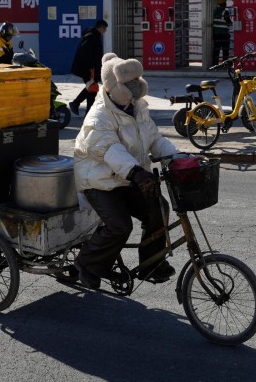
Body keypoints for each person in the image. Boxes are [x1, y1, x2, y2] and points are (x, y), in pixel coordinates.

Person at [72, 53, 179, 290]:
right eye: (127, 86)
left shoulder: (137, 107)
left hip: (128, 178)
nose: (133, 92)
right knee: (120, 226)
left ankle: (151, 263)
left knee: (158, 208)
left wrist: (177, 157)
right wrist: (137, 173)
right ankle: (87, 264)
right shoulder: (99, 116)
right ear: (112, 87)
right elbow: (110, 150)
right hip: (99, 181)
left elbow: (154, 138)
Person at [69, 19, 108, 116]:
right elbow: (84, 52)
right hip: (87, 68)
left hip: (90, 68)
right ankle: (76, 103)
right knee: (91, 87)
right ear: (101, 27)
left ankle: (88, 112)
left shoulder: (94, 36)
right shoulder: (91, 37)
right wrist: (91, 66)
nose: (105, 31)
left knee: (92, 89)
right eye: (105, 29)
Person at [211, 0, 233, 65]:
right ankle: (225, 65)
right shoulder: (225, 12)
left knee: (216, 50)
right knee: (225, 51)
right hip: (224, 34)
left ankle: (214, 65)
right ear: (224, 3)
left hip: (216, 34)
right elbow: (229, 22)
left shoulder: (214, 11)